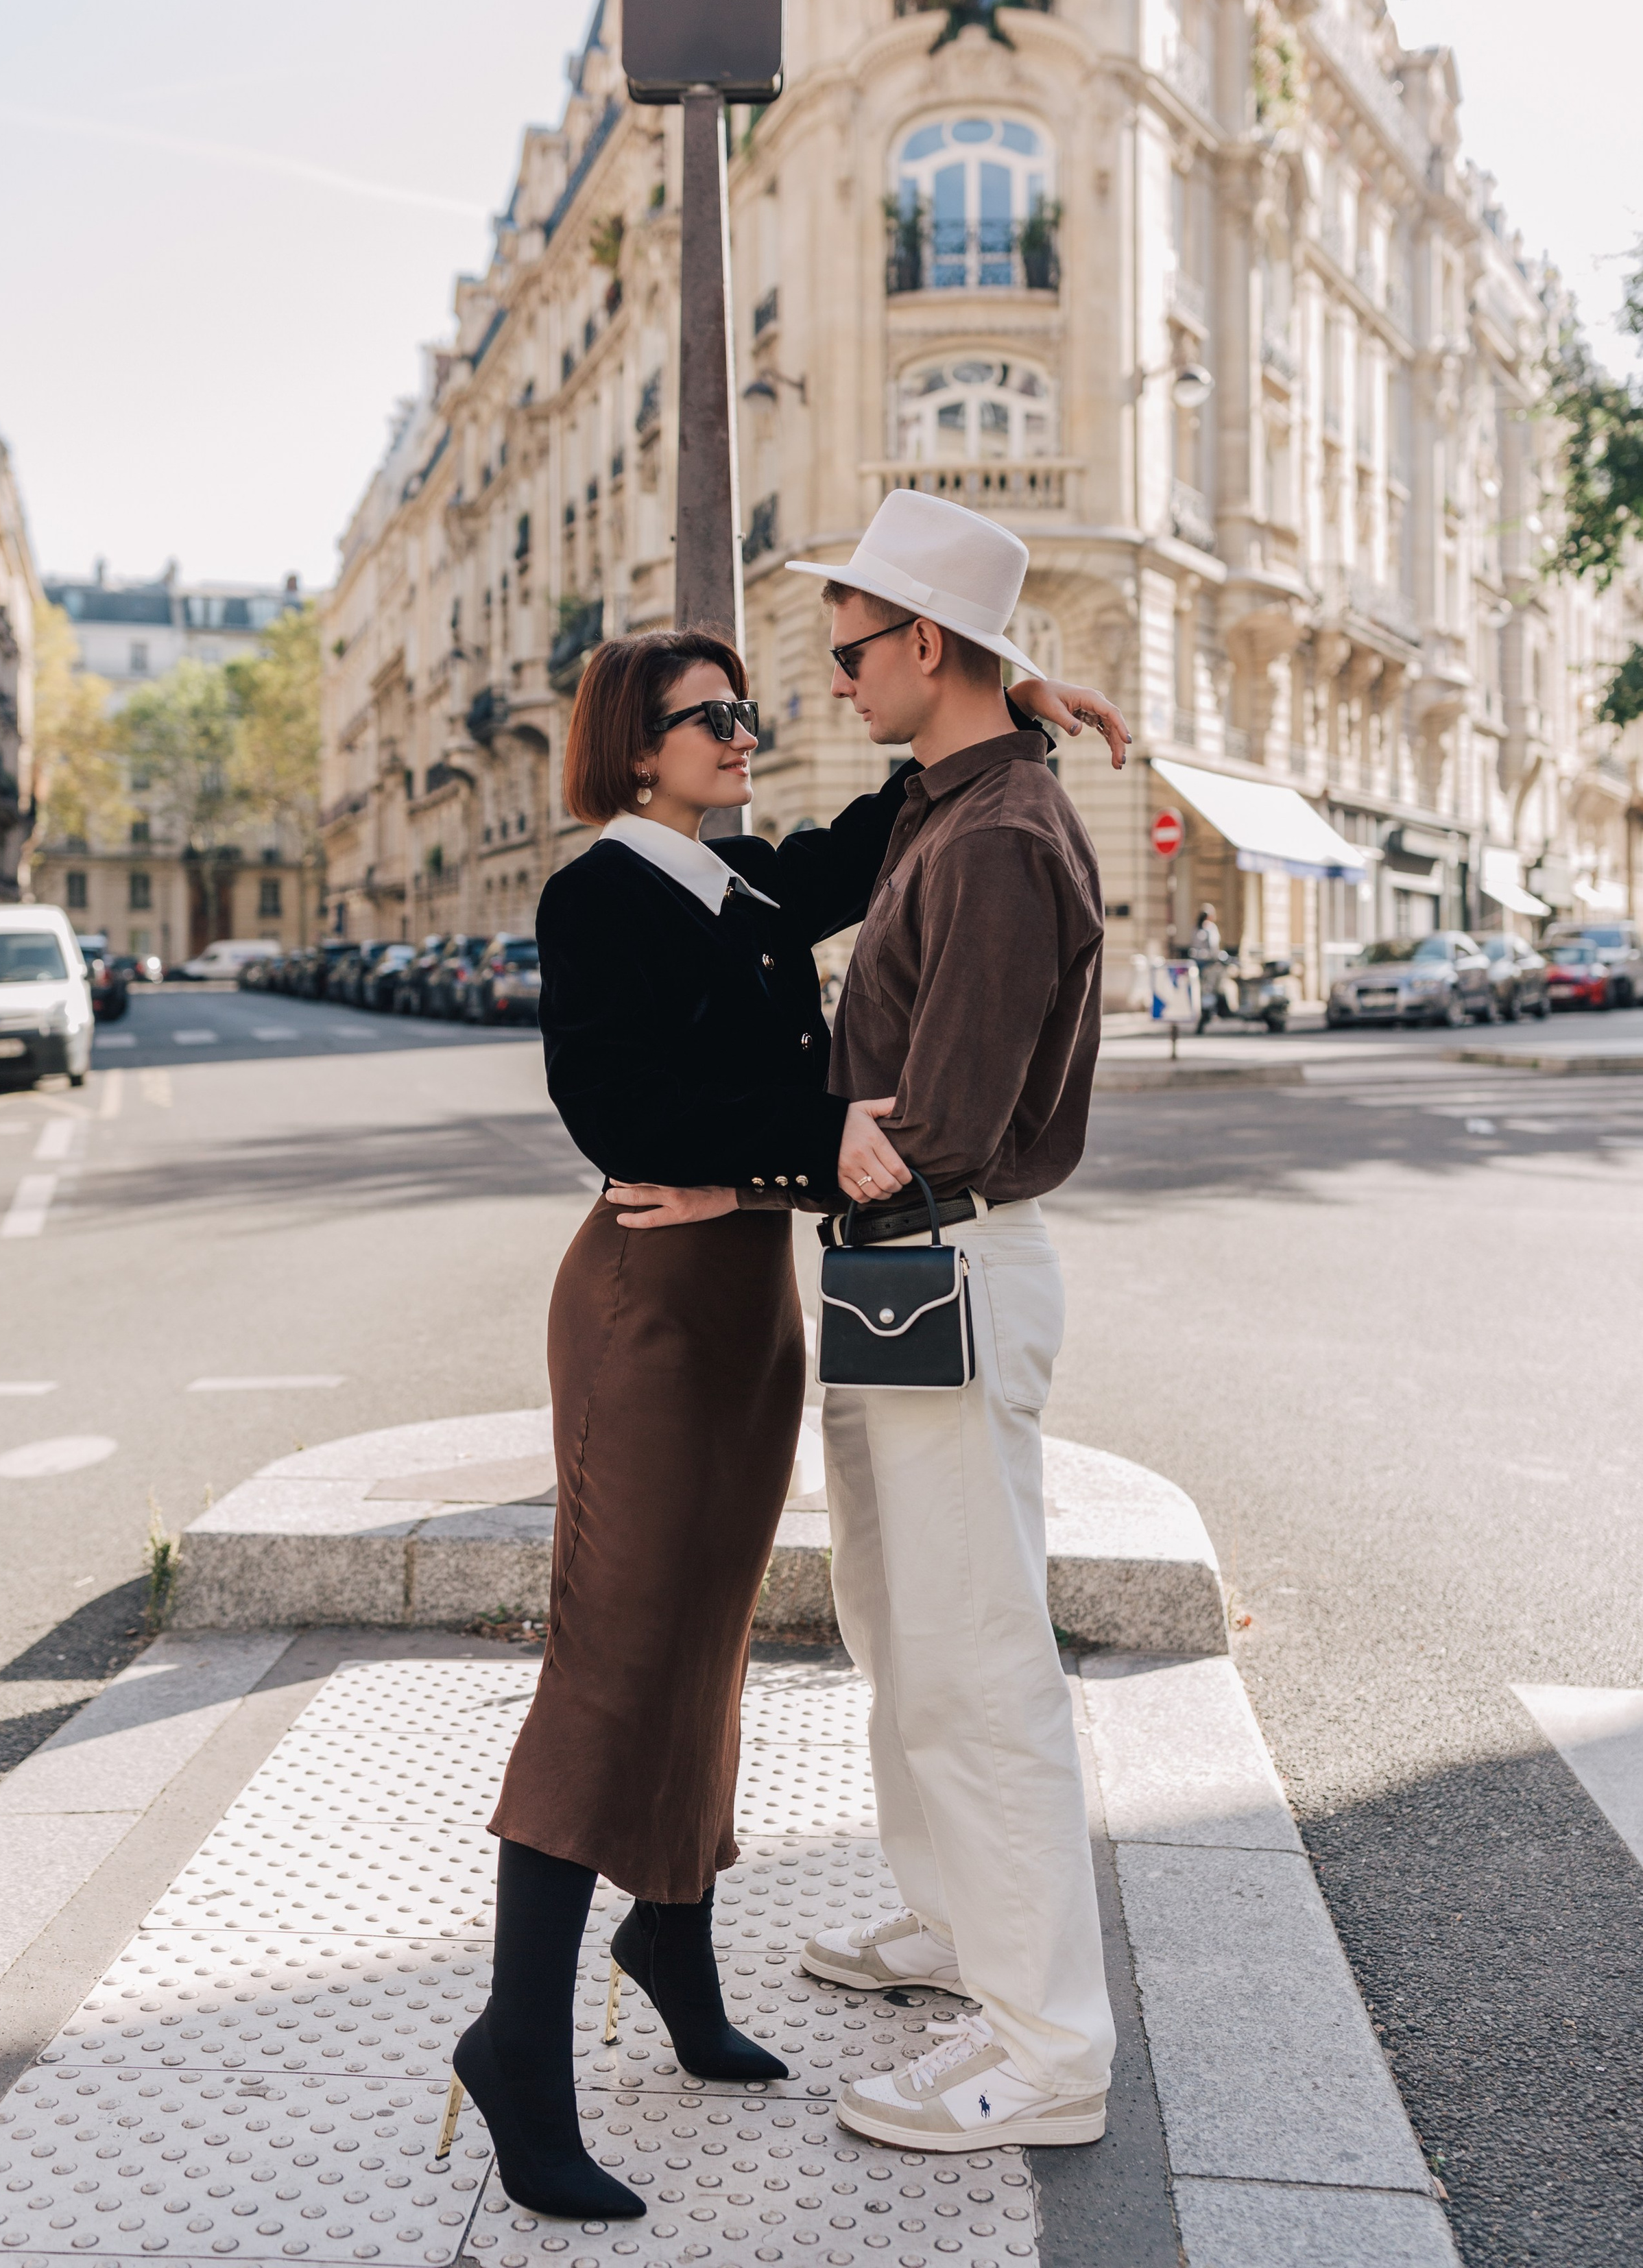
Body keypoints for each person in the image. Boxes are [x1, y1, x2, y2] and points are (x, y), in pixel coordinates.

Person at [442, 623, 1124, 2221]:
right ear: (635, 747)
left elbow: (875, 833)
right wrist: (810, 1144)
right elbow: (612, 1108)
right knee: (613, 1655)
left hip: (748, 1298)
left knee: (707, 1636)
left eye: (747, 708)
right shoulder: (598, 895)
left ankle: (670, 1944)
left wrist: (1009, 701)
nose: (745, 731)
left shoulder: (732, 881)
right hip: (647, 1308)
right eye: (713, 716)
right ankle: (516, 2046)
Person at [772, 488, 1123, 2155]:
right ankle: (954, 1929)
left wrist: (788, 1138)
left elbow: (945, 1122)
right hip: (904, 1271)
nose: (832, 677)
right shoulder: (958, 793)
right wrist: (1024, 689)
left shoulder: (993, 839)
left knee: (976, 1661)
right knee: (900, 1627)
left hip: (946, 1258)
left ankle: (1046, 2049)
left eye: (850, 649)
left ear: (923, 641)